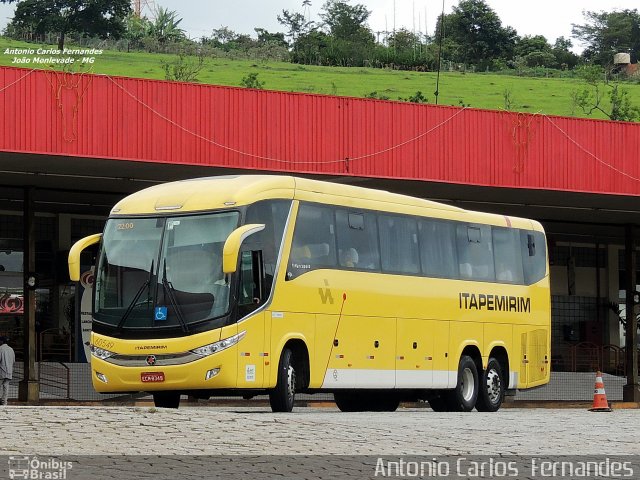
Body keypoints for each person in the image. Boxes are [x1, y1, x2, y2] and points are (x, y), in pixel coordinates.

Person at [0, 335, 15, 406]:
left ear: (2, 341)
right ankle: (4, 402)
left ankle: (0, 400)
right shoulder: (11, 349)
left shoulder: (0, 349)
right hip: (9, 371)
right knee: (6, 386)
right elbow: (13, 360)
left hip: (1, 370)